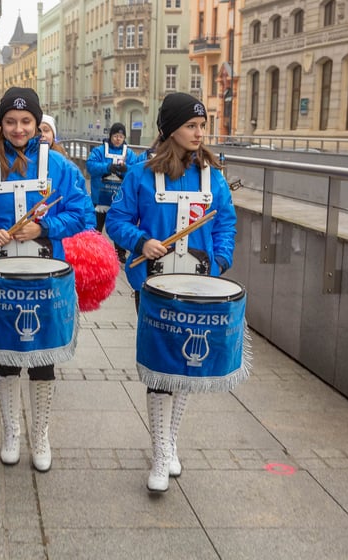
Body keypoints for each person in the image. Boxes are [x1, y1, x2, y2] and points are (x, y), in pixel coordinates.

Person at [105, 92, 237, 492]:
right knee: (160, 367)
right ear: (170, 130)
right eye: (190, 126)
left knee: (186, 368)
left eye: (202, 127)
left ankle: (169, 440)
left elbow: (226, 223)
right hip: (155, 287)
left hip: (200, 286)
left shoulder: (213, 176)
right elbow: (116, 220)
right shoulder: (141, 175)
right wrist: (142, 241)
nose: (199, 133)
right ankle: (161, 451)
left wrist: (222, 261)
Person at [0, 87, 90, 472]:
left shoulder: (61, 167)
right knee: (6, 358)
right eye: (11, 121)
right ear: (1, 124)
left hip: (46, 276)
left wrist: (43, 228)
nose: (18, 128)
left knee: (43, 358)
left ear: (36, 123)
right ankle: (11, 431)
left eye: (26, 121)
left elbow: (81, 215)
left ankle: (41, 434)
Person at [86, 122, 143, 262]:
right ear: (110, 136)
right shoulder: (99, 151)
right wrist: (107, 167)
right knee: (96, 226)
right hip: (100, 197)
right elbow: (90, 166)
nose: (118, 139)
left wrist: (126, 169)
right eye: (116, 136)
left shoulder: (129, 153)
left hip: (119, 198)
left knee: (120, 226)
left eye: (121, 136)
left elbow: (136, 171)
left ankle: (120, 253)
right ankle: (92, 250)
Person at [39, 114, 97, 230]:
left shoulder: (68, 167)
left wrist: (87, 231)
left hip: (61, 232)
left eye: (46, 130)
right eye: (38, 131)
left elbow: (84, 204)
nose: (42, 135)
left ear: (53, 135)